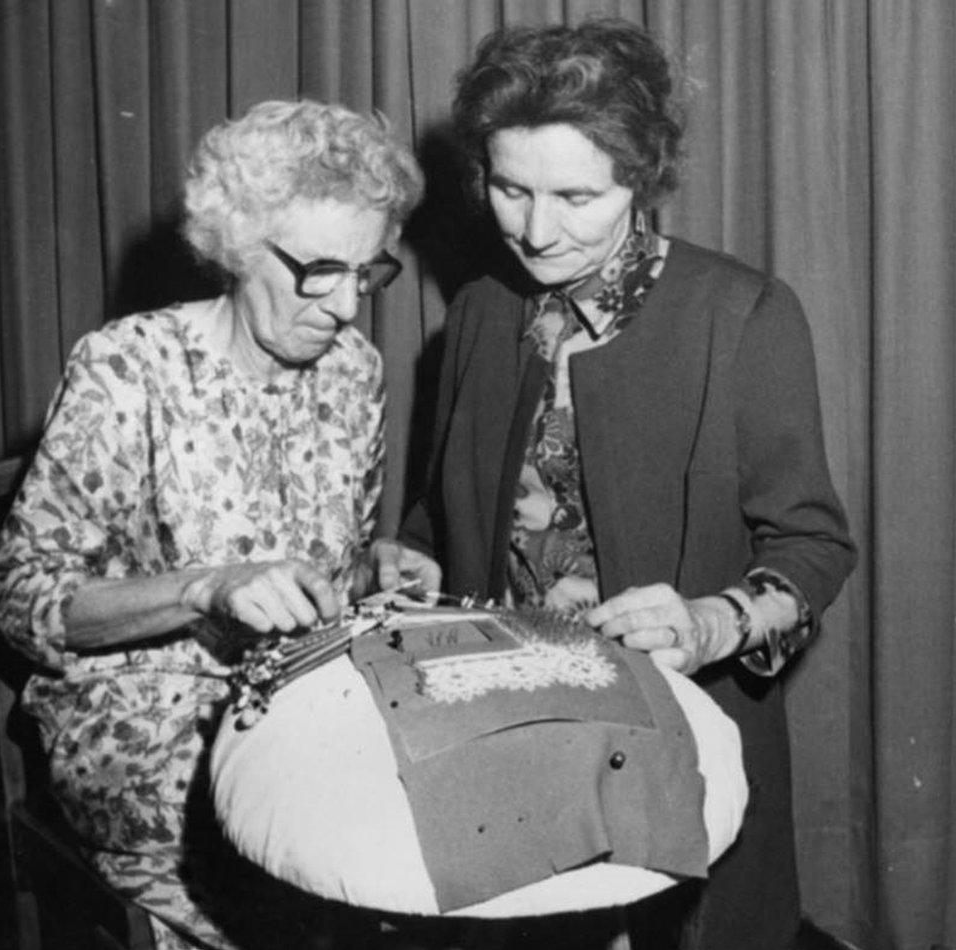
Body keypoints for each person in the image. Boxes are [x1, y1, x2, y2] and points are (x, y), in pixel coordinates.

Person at [382, 20, 857, 950]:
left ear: (642, 181)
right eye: (510, 188)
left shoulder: (743, 315)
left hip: (682, 737)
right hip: (510, 736)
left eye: (576, 196)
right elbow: (442, 510)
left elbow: (814, 545)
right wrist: (412, 558)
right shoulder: (481, 312)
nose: (534, 229)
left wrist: (711, 619)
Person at [0, 98, 439, 950]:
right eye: (319, 270)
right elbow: (22, 603)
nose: (346, 306)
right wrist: (203, 588)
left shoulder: (353, 372)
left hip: (302, 704)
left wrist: (372, 568)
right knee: (320, 845)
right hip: (145, 727)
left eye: (369, 271)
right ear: (236, 243)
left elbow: (323, 571)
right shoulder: (128, 370)